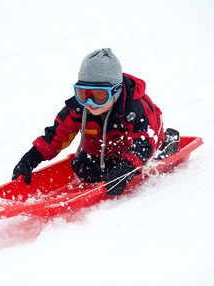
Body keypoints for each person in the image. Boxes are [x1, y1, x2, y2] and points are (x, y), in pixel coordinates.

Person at [12, 48, 178, 196]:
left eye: (99, 96)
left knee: (140, 163)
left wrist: (126, 169)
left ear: (116, 91)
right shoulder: (79, 108)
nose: (90, 102)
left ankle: (168, 143)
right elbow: (57, 134)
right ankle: (114, 167)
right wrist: (32, 157)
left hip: (139, 146)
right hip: (103, 150)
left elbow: (144, 143)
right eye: (83, 94)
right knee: (84, 169)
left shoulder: (136, 107)